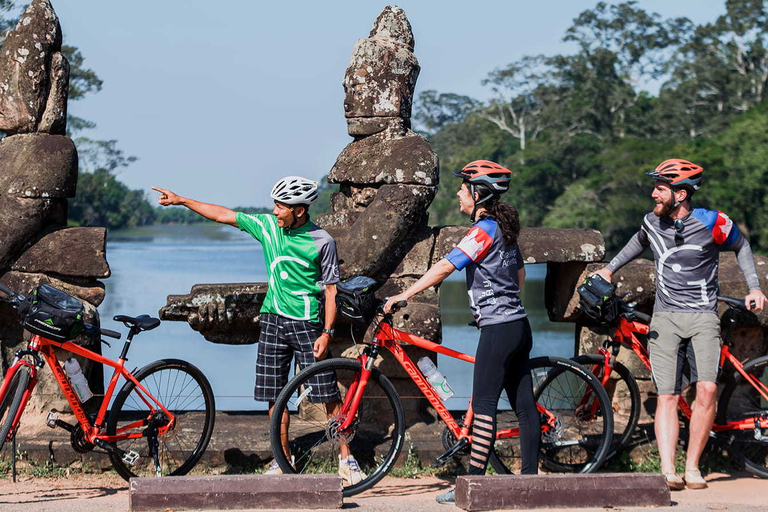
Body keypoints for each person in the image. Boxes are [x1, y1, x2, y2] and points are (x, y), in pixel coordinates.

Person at [152, 176, 365, 484]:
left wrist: (327, 333)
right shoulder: (267, 228)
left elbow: (331, 291)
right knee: (275, 397)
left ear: (300, 210)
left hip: (308, 324)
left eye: (281, 206)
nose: (276, 211)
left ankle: (347, 459)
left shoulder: (322, 241)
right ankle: (283, 458)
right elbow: (224, 215)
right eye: (275, 205)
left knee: (327, 393)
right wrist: (183, 200)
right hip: (273, 321)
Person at [593, 159, 766, 491]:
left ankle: (693, 468)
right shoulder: (651, 222)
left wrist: (754, 287)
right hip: (666, 317)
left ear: (681, 193)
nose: (654, 194)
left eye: (660, 188)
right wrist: (609, 269)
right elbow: (636, 243)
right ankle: (668, 471)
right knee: (668, 395)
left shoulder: (712, 222)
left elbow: (742, 246)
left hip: (703, 316)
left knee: (707, 389)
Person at [384, 160, 539, 505]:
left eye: (463, 187)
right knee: (525, 408)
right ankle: (530, 483)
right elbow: (520, 278)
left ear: (478, 193)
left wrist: (404, 295)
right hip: (518, 325)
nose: (458, 193)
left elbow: (444, 266)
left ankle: (472, 484)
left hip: (499, 330)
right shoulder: (505, 229)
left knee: (483, 407)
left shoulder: (483, 230)